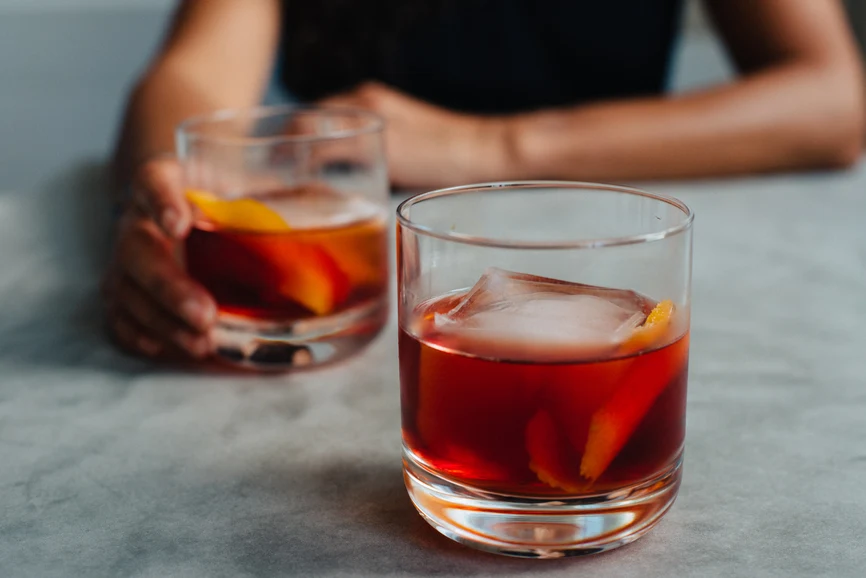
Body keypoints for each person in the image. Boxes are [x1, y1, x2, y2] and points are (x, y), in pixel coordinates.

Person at [104, 0, 865, 359]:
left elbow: (834, 103)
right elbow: (197, 69)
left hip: (604, 242)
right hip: (342, 288)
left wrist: (488, 146)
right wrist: (164, 190)